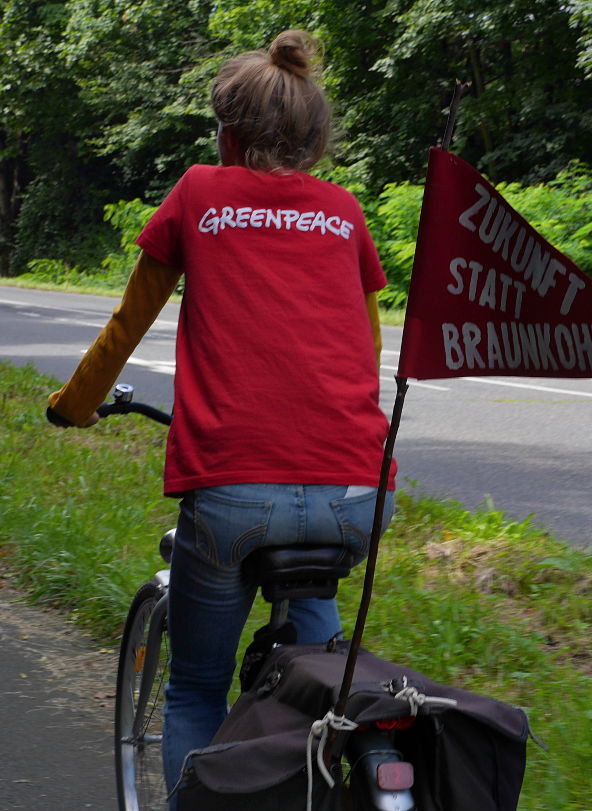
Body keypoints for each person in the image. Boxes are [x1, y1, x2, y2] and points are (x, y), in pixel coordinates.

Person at [46, 29, 396, 808]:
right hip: (355, 491)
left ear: (227, 133)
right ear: (313, 141)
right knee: (315, 681)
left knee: (196, 687)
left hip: (234, 490)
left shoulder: (200, 193)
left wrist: (72, 406)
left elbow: (126, 325)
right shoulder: (344, 211)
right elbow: (366, 348)